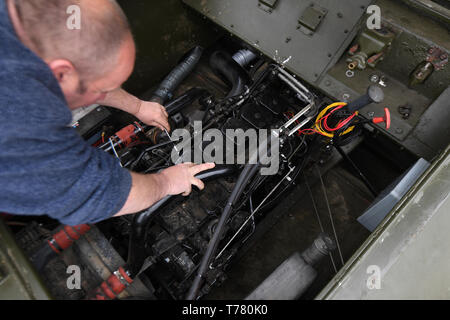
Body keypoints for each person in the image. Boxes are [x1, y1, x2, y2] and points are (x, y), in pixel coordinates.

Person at [0, 0, 214, 226]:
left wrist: (138, 107)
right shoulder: (21, 131)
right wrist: (166, 182)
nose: (103, 92)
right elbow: (96, 193)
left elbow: (87, 69)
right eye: (101, 89)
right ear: (62, 73)